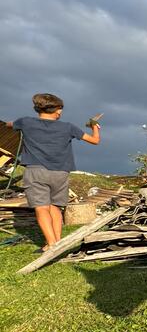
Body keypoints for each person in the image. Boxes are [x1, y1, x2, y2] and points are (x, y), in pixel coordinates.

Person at [3, 93, 101, 252]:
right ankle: (57, 242)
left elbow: (9, 124)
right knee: (55, 207)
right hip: (60, 172)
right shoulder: (68, 127)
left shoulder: (25, 122)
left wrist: (10, 125)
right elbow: (95, 141)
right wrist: (94, 127)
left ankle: (51, 244)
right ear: (57, 110)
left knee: (41, 208)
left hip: (36, 171)